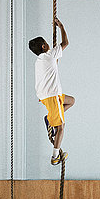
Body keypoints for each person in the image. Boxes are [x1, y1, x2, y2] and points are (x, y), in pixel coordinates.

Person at [28, 17, 75, 165]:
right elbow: (65, 43)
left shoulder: (40, 61)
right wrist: (61, 26)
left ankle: (50, 118)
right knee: (61, 127)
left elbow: (55, 64)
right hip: (52, 95)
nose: (49, 44)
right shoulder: (48, 55)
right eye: (47, 43)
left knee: (71, 101)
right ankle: (55, 156)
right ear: (43, 46)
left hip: (46, 95)